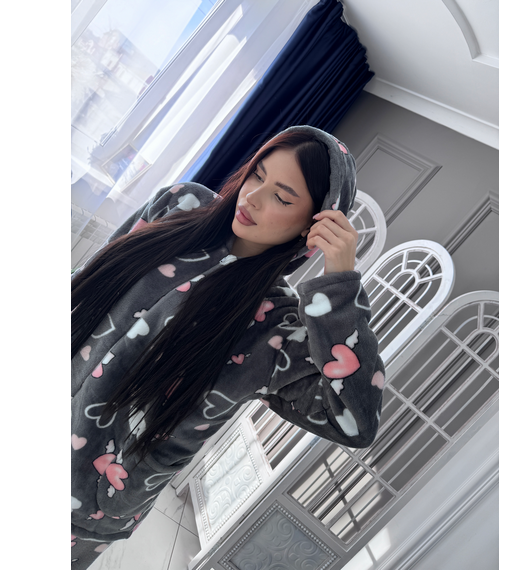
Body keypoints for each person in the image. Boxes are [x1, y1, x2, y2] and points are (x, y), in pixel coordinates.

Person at [71, 125, 385, 568]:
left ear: (311, 225)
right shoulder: (178, 204)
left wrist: (340, 289)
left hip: (85, 503)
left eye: (282, 198)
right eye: (257, 175)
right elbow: (85, 288)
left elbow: (356, 423)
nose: (252, 197)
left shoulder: (279, 329)